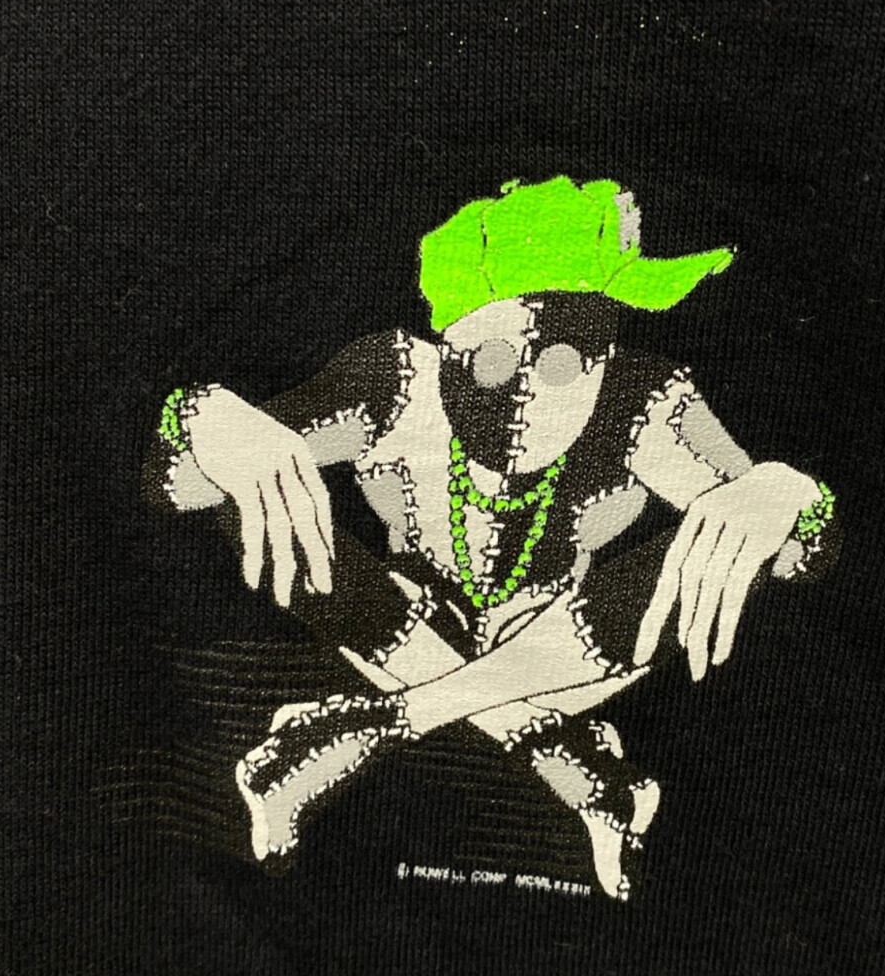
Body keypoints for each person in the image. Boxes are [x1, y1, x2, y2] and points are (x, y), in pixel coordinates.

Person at [142, 175, 839, 899]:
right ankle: (573, 767)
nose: (529, 396)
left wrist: (784, 494)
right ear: (450, 344)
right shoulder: (394, 382)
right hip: (419, 629)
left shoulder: (643, 403)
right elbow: (184, 487)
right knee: (260, 493)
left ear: (605, 352)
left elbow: (796, 552)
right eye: (496, 361)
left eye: (564, 361)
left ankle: (374, 725)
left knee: (718, 545)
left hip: (569, 649)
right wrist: (205, 419)